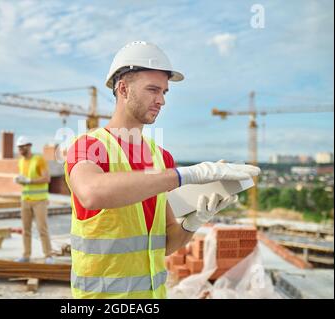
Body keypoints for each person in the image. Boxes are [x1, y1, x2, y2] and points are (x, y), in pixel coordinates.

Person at [65, 41, 261, 298]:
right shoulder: (89, 146)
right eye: (153, 90)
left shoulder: (161, 157)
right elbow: (91, 193)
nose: (162, 100)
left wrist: (194, 223)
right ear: (123, 89)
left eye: (165, 92)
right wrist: (184, 175)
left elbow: (166, 244)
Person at [14, 135, 55, 264]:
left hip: (39, 201)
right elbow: (26, 182)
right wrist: (20, 181)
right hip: (25, 200)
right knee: (25, 229)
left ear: (29, 146)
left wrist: (29, 180)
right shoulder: (21, 161)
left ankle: (48, 255)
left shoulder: (39, 160)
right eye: (19, 147)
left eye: (22, 147)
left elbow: (47, 178)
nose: (20, 149)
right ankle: (26, 255)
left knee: (42, 228)